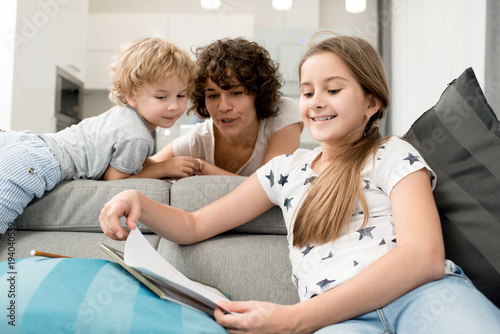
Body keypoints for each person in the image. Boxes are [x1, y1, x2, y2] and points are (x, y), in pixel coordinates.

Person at [99, 34, 500, 333]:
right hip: (340, 320)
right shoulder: (284, 171)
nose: (316, 101)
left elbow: (423, 257)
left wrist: (294, 319)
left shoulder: (393, 153)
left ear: (371, 103)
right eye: (308, 92)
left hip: (423, 297)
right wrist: (138, 198)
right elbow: (194, 226)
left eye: (333, 89)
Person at [0, 37, 198, 234]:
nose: (174, 106)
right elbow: (114, 179)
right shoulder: (137, 137)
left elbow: (127, 167)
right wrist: (164, 167)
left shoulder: (124, 115)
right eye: (161, 97)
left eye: (181, 95)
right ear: (130, 94)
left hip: (26, 143)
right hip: (38, 163)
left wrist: (156, 166)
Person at [149, 37, 303, 176]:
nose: (223, 107)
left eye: (236, 93)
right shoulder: (199, 140)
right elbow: (141, 172)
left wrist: (205, 168)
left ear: (258, 94)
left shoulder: (282, 113)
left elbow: (271, 187)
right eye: (213, 95)